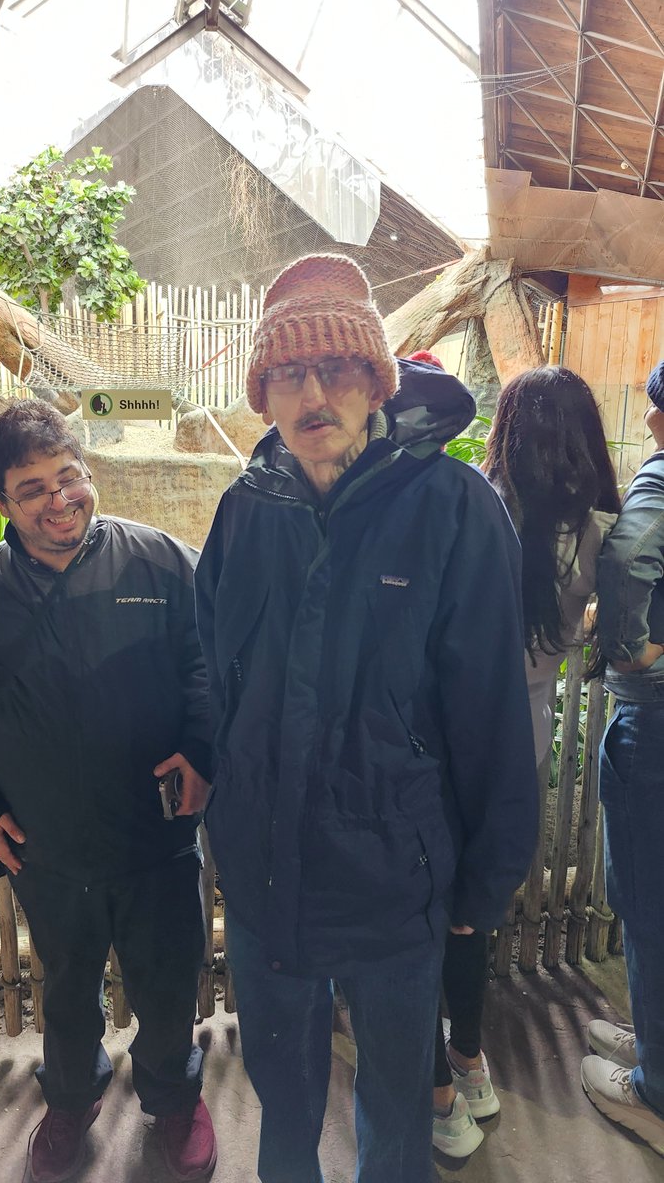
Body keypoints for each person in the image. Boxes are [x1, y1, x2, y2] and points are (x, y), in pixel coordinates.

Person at [194, 254, 539, 1183]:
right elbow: (209, 673)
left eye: (337, 369)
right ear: (262, 393)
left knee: (394, 1109)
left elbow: (492, 715)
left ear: (376, 381)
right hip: (266, 877)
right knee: (284, 1100)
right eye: (289, 375)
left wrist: (485, 879)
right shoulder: (243, 511)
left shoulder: (452, 508)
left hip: (394, 876)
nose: (315, 394)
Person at [0, 398, 217, 1183]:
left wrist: (203, 751)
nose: (60, 499)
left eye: (69, 476)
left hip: (158, 836)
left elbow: (209, 665)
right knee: (68, 988)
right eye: (33, 488)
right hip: (45, 847)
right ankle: (71, 1098)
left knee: (169, 980)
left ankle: (174, 1099)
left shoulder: (162, 566)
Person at [427, 366, 621, 1158]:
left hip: (442, 727)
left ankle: (429, 1058)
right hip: (527, 732)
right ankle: (469, 1055)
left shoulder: (474, 505)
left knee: (427, 887)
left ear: (505, 430)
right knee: (479, 897)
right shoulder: (600, 528)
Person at [581, 362, 664, 1159]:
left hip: (657, 728)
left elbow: (630, 555)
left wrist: (632, 652)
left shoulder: (659, 482)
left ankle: (655, 1096)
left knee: (646, 903)